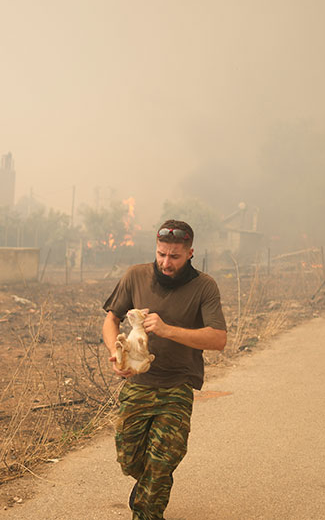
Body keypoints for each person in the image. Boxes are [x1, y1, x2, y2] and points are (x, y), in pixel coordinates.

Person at [102, 219, 227, 520]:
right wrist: (115, 353)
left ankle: (148, 508)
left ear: (190, 253)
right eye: (161, 254)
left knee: (162, 460)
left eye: (174, 256)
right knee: (129, 460)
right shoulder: (136, 276)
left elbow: (218, 338)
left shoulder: (204, 286)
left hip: (177, 385)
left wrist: (168, 330)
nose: (165, 262)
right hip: (139, 383)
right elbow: (111, 319)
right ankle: (146, 483)